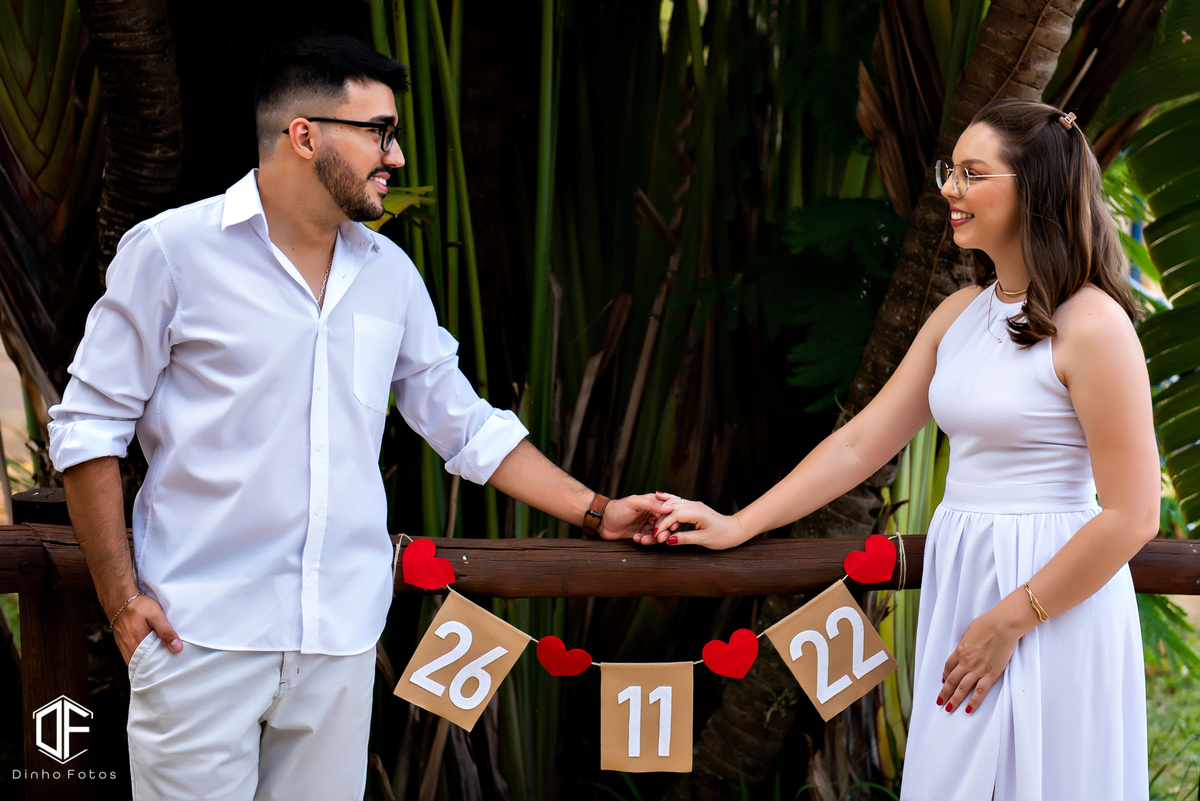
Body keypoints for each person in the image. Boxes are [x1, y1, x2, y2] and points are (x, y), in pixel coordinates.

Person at [48, 34, 666, 800]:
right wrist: (120, 599)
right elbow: (88, 428)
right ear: (304, 135)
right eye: (379, 132)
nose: (395, 156)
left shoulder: (389, 275)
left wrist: (598, 510)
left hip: (339, 645)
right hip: (196, 637)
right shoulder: (172, 252)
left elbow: (465, 424)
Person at [632, 99, 1157, 800]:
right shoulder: (959, 314)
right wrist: (738, 523)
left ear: (1035, 186)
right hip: (964, 574)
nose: (949, 189)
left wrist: (1013, 617)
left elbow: (1133, 514)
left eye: (972, 174)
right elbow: (858, 443)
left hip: (1053, 592)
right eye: (950, 171)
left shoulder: (1093, 324)